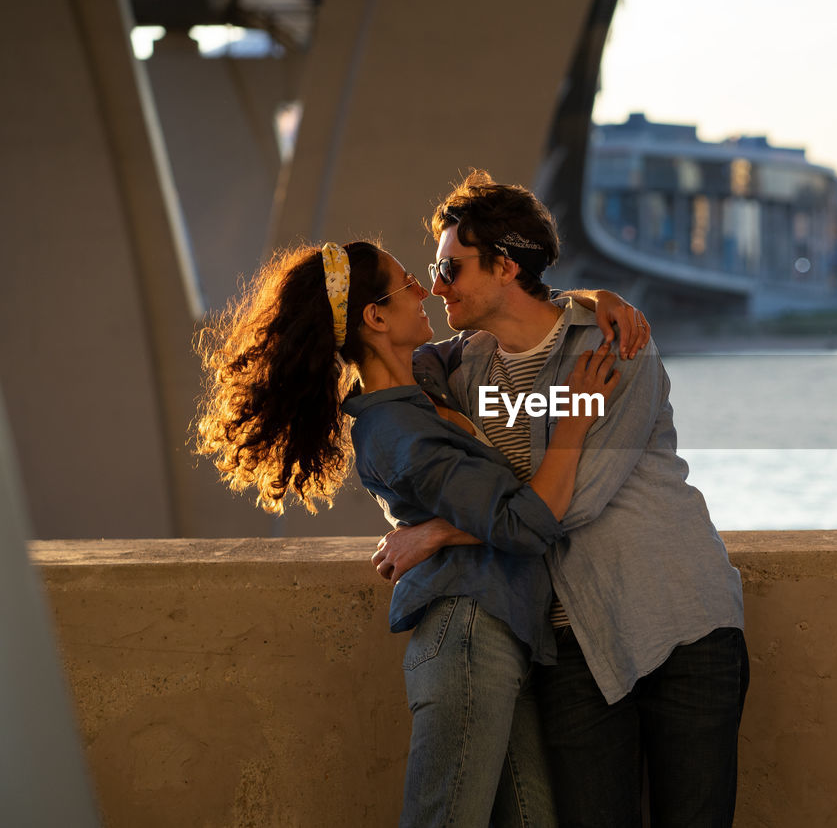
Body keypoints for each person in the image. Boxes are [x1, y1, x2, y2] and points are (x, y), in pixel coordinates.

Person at [193, 239, 647, 827]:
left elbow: (518, 313)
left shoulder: (426, 379)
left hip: (504, 638)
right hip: (467, 640)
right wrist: (575, 420)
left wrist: (597, 298)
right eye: (409, 281)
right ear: (376, 317)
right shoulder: (397, 431)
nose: (426, 288)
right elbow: (525, 523)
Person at [384, 171, 748, 828]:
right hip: (573, 646)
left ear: (503, 266)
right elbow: (387, 365)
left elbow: (570, 504)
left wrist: (441, 531)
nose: (436, 286)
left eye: (449, 268)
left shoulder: (614, 346)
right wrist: (591, 291)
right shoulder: (462, 368)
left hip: (683, 624)